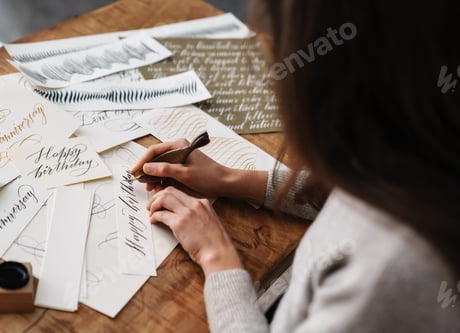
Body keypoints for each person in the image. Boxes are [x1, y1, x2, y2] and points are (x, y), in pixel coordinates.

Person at [131, 0, 460, 331]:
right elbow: (356, 193)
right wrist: (231, 179)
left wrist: (217, 257)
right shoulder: (426, 146)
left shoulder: (383, 276)